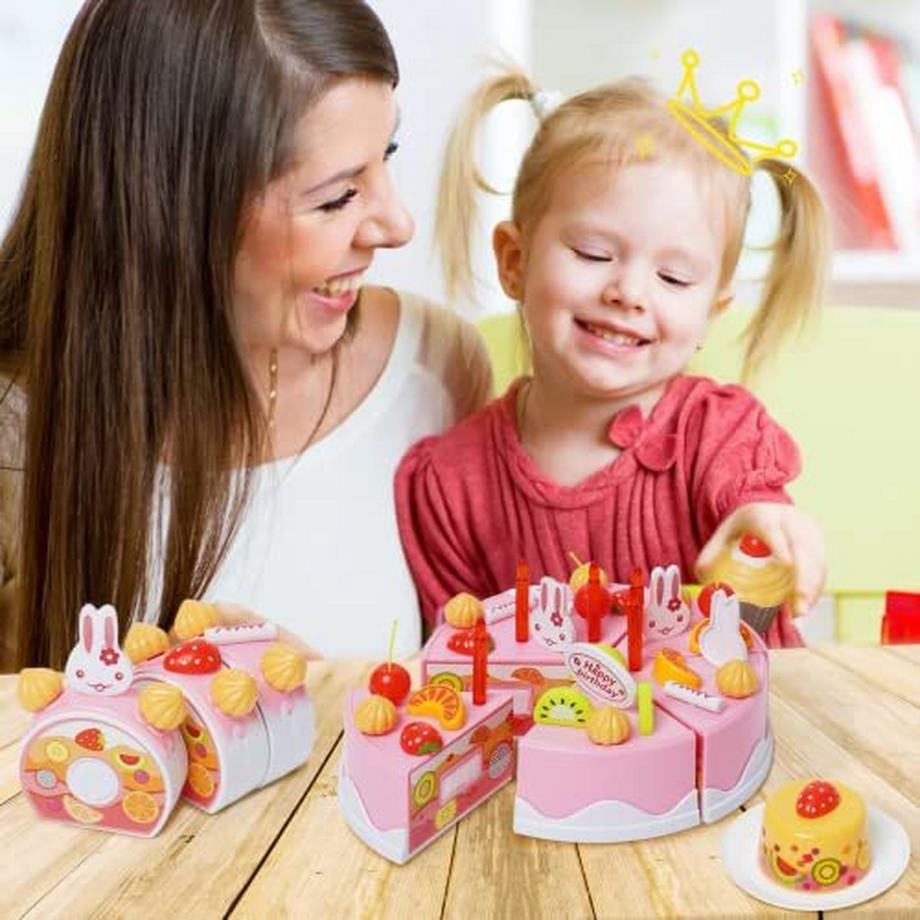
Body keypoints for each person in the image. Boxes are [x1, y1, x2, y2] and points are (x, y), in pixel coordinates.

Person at [0, 0, 491, 670]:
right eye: (337, 197)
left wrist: (326, 705)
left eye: (388, 156)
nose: (396, 224)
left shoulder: (437, 369)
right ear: (172, 210)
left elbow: (494, 690)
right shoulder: (16, 424)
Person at [396, 70, 829, 648]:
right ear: (515, 261)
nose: (629, 292)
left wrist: (765, 528)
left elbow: (754, 509)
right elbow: (462, 668)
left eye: (674, 277)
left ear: (710, 312)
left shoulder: (720, 435)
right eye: (594, 253)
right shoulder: (452, 483)